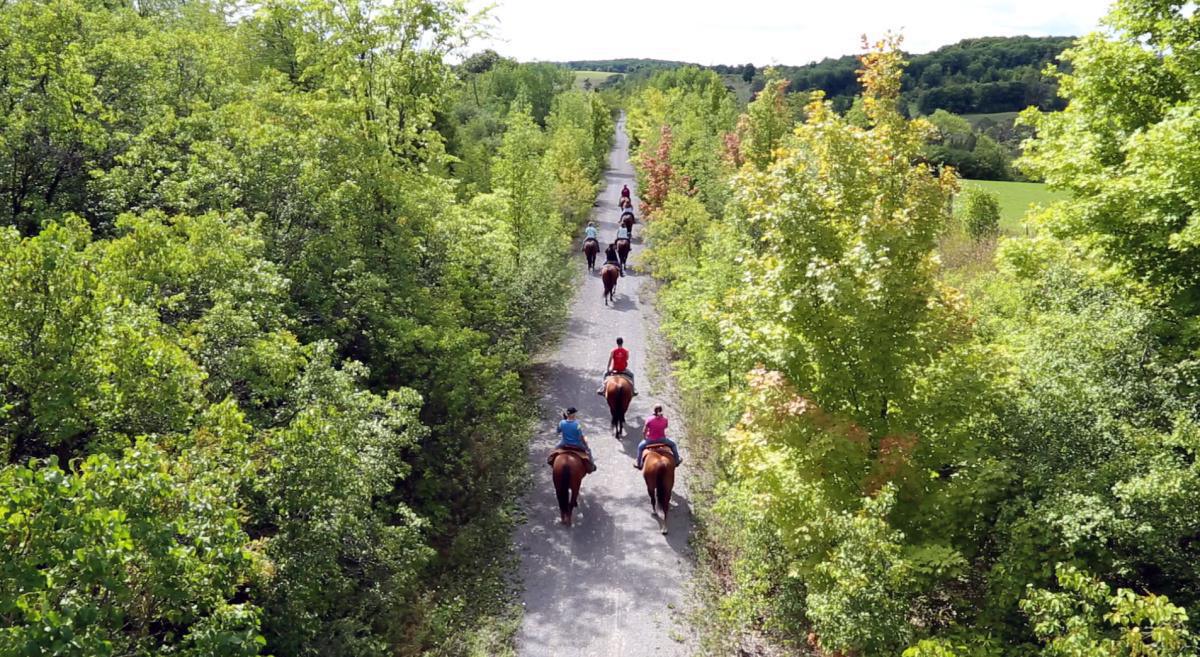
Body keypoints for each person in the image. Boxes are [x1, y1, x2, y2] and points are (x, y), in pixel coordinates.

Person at [635, 405, 681, 469]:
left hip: (650, 440)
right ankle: (677, 460)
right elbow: (665, 427)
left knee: (640, 447)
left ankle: (639, 464)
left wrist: (645, 438)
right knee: (673, 445)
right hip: (662, 440)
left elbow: (644, 431)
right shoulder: (665, 419)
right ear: (661, 411)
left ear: (654, 411)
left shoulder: (649, 419)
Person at [555, 407, 596, 472]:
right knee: (588, 451)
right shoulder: (577, 424)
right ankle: (592, 465)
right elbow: (580, 437)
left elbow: (557, 431)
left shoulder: (561, 422)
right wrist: (585, 444)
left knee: (554, 450)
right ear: (573, 414)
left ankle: (551, 462)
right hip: (577, 444)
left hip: (564, 443)